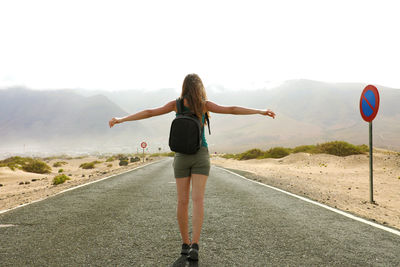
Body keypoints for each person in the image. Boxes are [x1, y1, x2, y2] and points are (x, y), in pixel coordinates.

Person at [109, 73, 275, 261]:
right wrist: (260, 111)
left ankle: (185, 244)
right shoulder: (204, 105)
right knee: (198, 201)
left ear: (184, 87)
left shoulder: (176, 104)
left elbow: (149, 112)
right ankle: (195, 245)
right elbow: (232, 109)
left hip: (181, 157)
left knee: (182, 202)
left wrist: (121, 119)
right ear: (200, 88)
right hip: (201, 155)